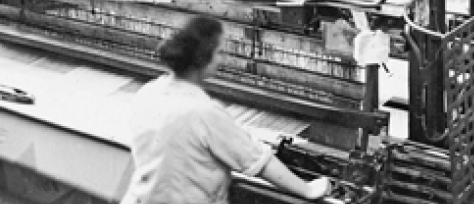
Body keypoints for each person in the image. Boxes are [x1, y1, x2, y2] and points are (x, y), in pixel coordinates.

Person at [120, 15, 332, 204]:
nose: (223, 59)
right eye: (220, 51)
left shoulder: (148, 92)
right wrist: (308, 190)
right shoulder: (204, 112)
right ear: (203, 57)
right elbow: (258, 162)